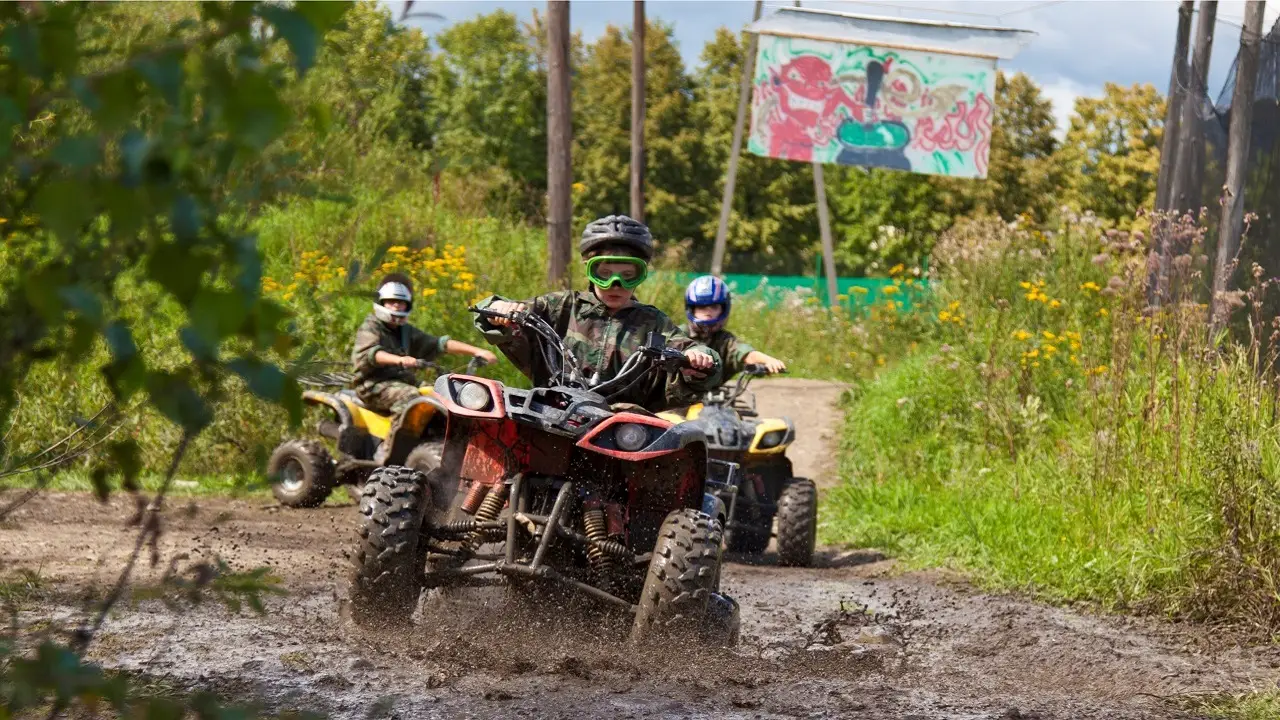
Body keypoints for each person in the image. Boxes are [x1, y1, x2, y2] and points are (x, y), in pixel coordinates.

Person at [475, 215, 721, 412]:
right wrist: (499, 310)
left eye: (628, 276)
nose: (615, 285)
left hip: (621, 427)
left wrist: (699, 356)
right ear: (589, 271)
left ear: (640, 276)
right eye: (604, 273)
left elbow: (687, 346)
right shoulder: (563, 305)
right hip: (554, 409)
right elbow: (505, 307)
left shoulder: (652, 322)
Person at [352, 272, 497, 418]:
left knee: (443, 394)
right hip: (372, 385)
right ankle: (397, 440)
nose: (396, 306)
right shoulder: (371, 326)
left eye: (401, 302)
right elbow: (373, 354)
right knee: (410, 397)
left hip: (403, 381)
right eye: (391, 301)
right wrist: (400, 360)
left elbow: (440, 344)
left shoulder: (405, 330)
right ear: (381, 302)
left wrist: (477, 351)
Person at [681, 275, 787, 379]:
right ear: (691, 309)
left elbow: (745, 354)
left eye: (714, 307)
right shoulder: (678, 334)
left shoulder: (725, 341)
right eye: (701, 307)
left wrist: (767, 361)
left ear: (723, 309)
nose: (708, 312)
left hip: (713, 393)